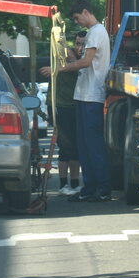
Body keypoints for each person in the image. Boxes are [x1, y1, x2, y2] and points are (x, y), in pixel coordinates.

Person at [41, 0, 111, 202]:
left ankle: (102, 188)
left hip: (91, 96)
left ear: (86, 12)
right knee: (84, 145)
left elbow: (86, 62)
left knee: (93, 145)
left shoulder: (97, 32)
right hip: (83, 95)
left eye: (77, 17)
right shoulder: (93, 33)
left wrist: (57, 69)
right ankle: (89, 187)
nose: (78, 22)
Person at [48, 30, 84, 195]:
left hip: (74, 105)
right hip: (60, 106)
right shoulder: (67, 55)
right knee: (66, 146)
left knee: (75, 147)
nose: (81, 47)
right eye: (78, 43)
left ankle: (75, 183)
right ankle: (63, 185)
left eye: (84, 44)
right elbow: (67, 64)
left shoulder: (84, 58)